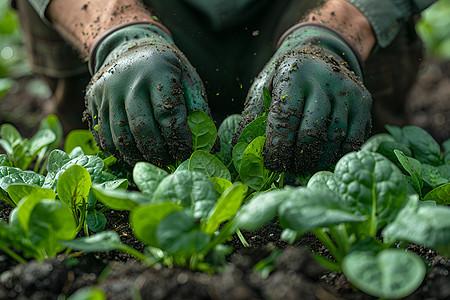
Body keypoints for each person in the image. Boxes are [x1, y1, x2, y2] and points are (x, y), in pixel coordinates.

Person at [13, 0, 435, 173]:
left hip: (310, 11)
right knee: (111, 167)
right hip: (147, 13)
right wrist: (118, 36)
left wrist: (335, 38)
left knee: (343, 161)